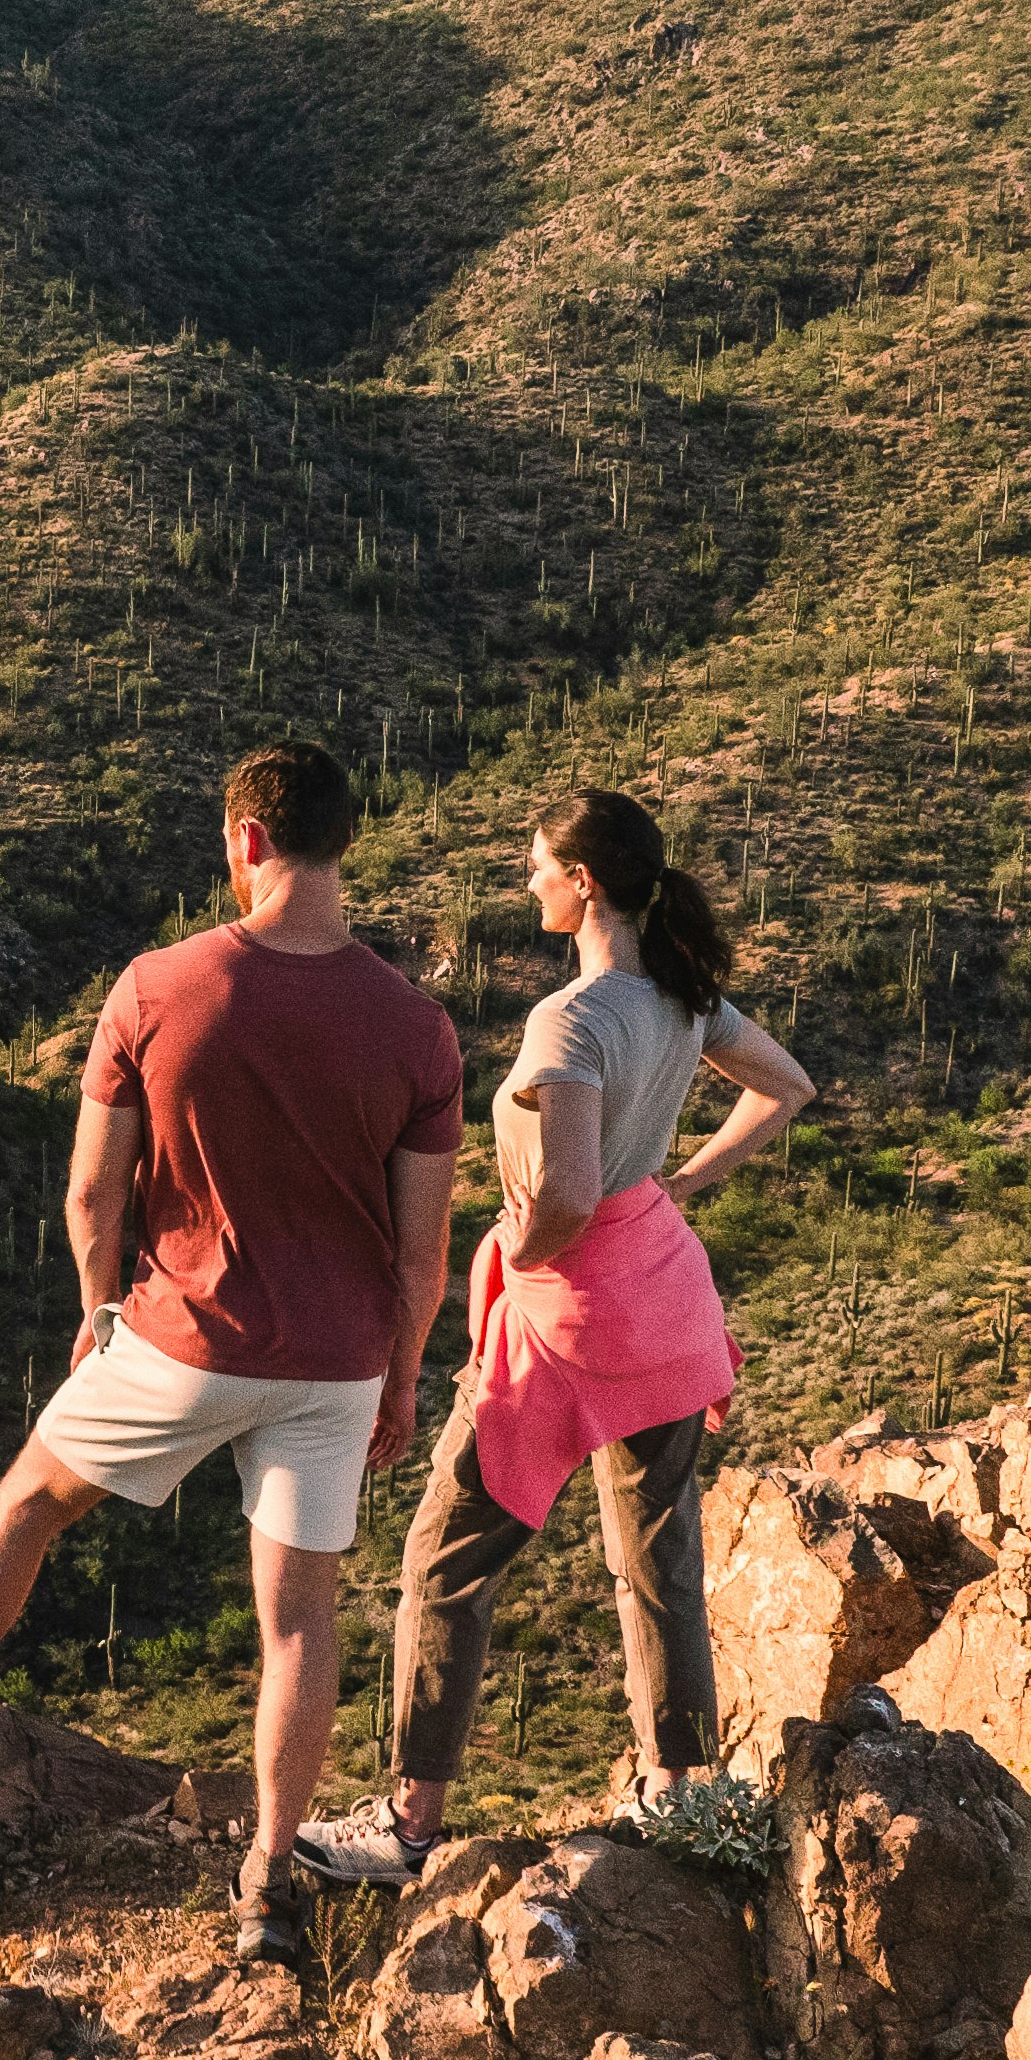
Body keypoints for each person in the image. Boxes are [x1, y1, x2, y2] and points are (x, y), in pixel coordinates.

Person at [0, 740, 465, 1965]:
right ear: (342, 842)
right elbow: (423, 1255)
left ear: (249, 842)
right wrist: (403, 1371)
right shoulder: (417, 1028)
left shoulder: (159, 986)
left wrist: (95, 1304)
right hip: (334, 1363)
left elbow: (90, 1196)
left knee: (28, 1506)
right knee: (298, 1615)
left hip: (181, 1335)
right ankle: (270, 1882)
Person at [294, 788, 815, 1890]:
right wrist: (683, 1180)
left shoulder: (568, 1022)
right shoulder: (682, 998)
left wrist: (517, 1248)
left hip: (566, 1315)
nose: (526, 878)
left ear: (582, 882)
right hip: (662, 1302)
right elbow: (787, 1087)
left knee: (444, 1564)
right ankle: (686, 1797)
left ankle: (409, 1824)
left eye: (537, 863)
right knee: (659, 1561)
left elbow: (569, 1194)